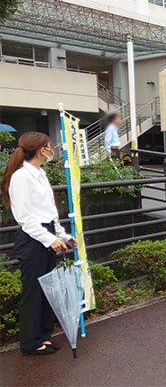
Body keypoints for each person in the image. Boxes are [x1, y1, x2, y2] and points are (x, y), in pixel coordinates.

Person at [0, 132, 76, 355]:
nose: (52, 149)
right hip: (33, 239)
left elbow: (49, 211)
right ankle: (31, 342)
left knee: (47, 289)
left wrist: (60, 235)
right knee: (33, 291)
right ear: (42, 149)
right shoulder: (21, 176)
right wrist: (50, 239)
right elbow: (25, 217)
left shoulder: (39, 173)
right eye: (50, 146)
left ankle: (44, 336)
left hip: (47, 234)